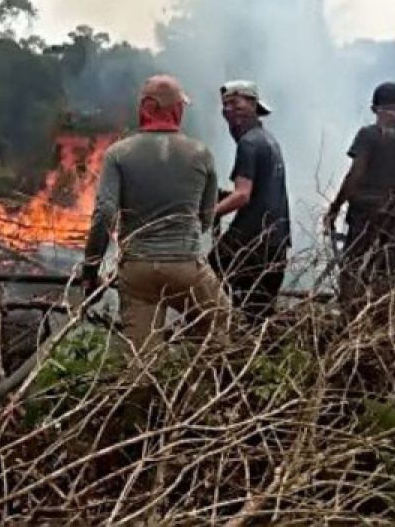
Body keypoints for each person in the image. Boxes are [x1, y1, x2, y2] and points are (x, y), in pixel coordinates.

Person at [83, 74, 228, 352]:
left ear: (144, 108)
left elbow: (104, 214)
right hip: (186, 266)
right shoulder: (201, 154)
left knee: (142, 359)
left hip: (137, 272)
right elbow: (206, 219)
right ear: (175, 110)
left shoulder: (118, 154)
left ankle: (145, 390)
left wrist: (91, 270)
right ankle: (199, 386)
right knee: (217, 326)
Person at [324, 81, 395, 305]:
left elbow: (355, 174)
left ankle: (348, 312)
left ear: (374, 108)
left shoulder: (369, 135)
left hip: (366, 211)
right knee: (386, 268)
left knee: (353, 264)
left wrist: (335, 207)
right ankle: (379, 315)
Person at [211, 80, 291, 321]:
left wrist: (209, 213)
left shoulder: (249, 143)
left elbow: (243, 195)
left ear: (254, 105)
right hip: (276, 240)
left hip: (251, 239)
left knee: (207, 279)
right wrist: (223, 197)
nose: (229, 109)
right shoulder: (267, 139)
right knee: (259, 314)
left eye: (236, 103)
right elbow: (258, 190)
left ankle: (210, 340)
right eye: (225, 105)